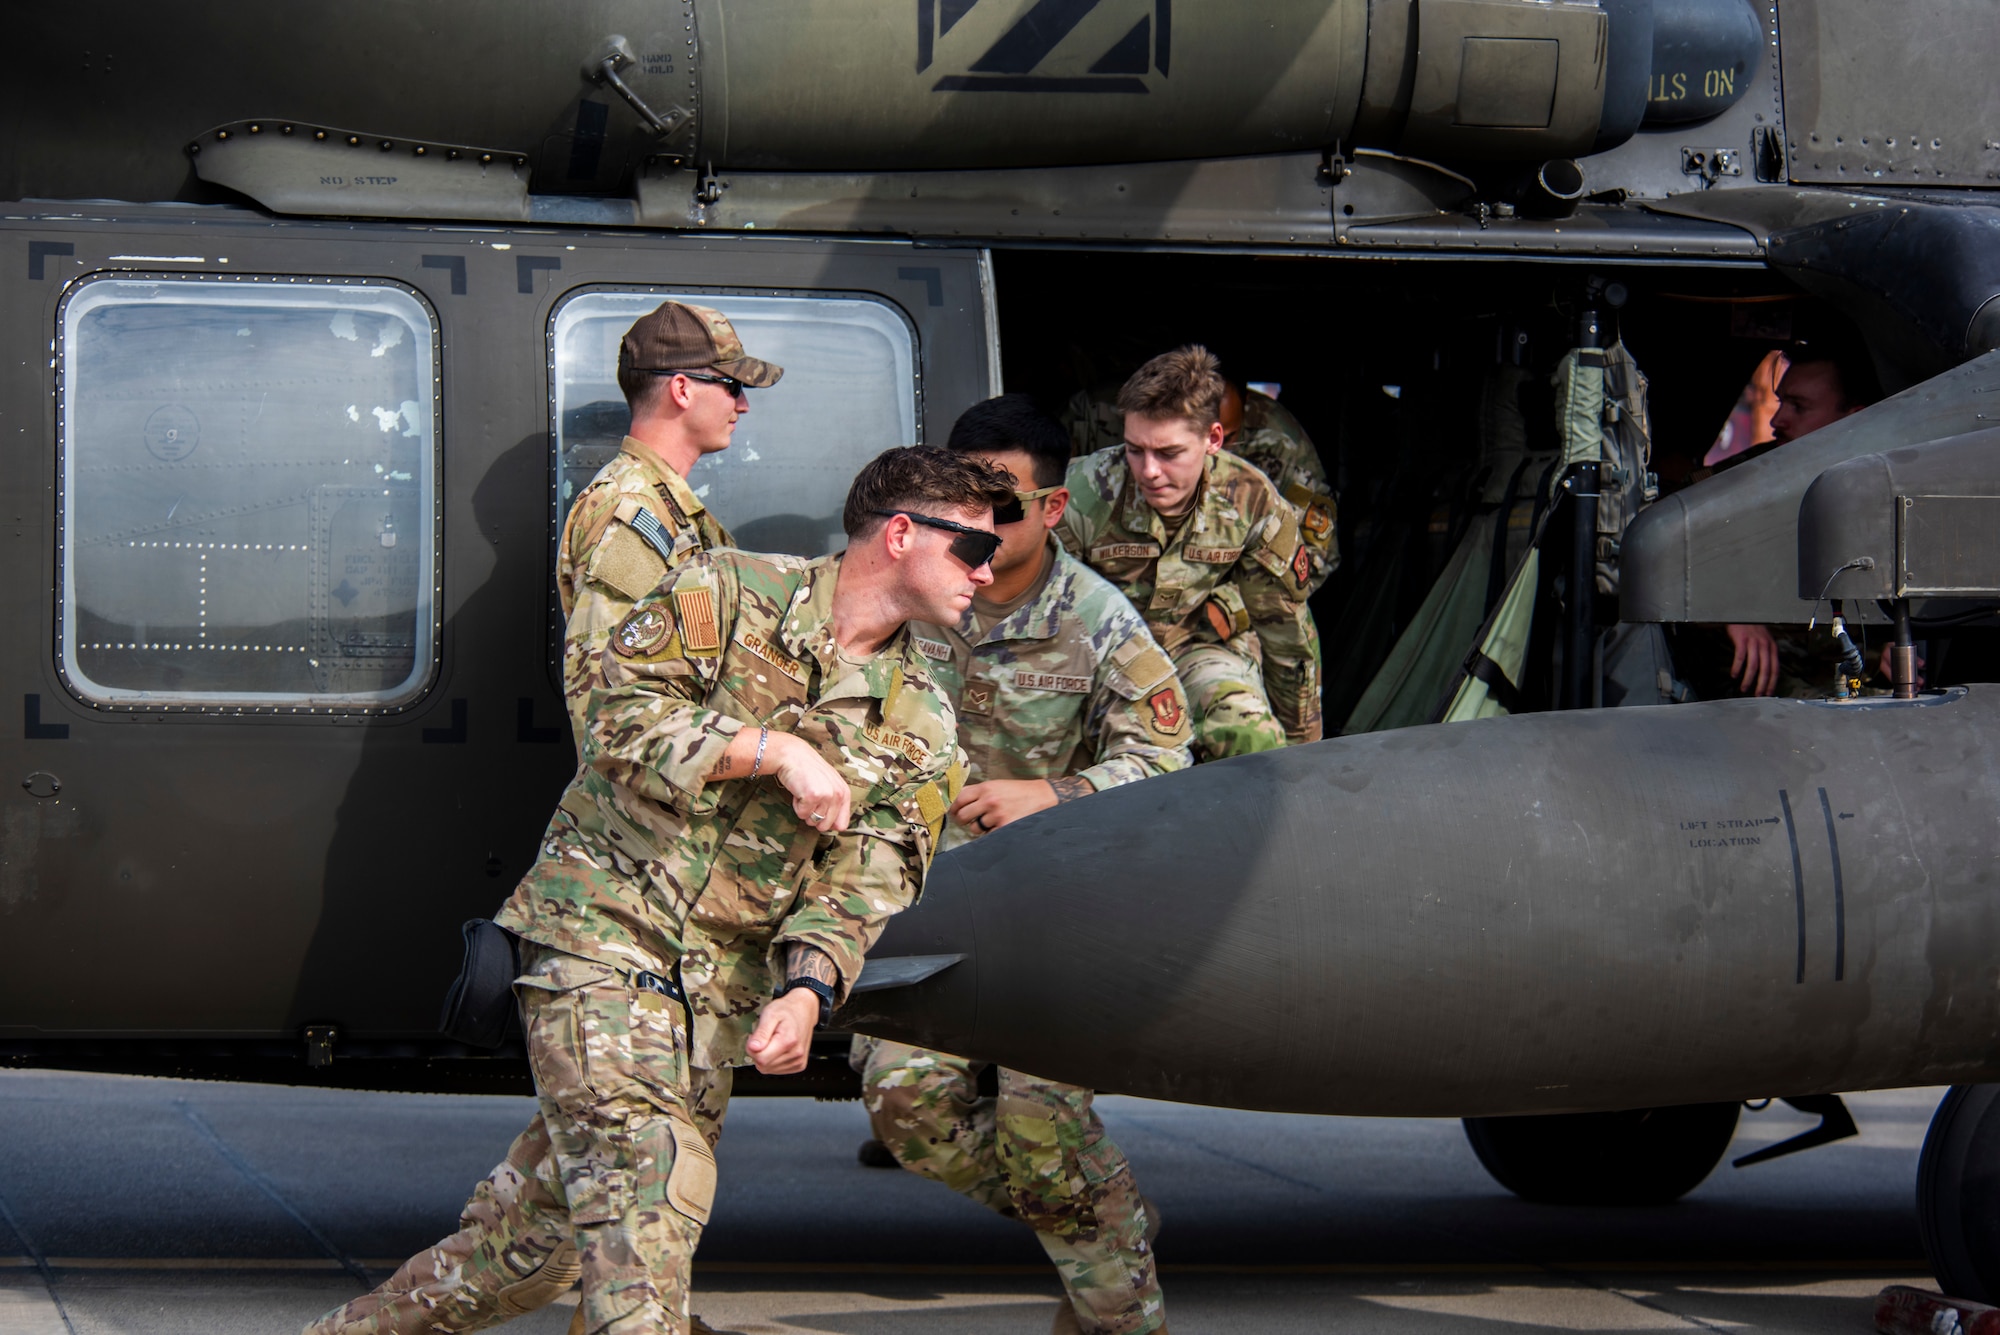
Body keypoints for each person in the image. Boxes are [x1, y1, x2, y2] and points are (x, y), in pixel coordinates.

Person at [304, 446, 1013, 1335]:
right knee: (653, 1203)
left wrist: (807, 986)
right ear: (902, 534)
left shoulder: (924, 713)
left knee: (522, 1255)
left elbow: (871, 872)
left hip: (712, 1000)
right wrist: (775, 750)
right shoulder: (727, 590)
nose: (989, 573)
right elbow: (613, 716)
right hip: (601, 935)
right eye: (974, 550)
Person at [851, 395, 1192, 1335]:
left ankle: (1113, 1297)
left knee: (1045, 1137)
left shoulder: (1097, 618)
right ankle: (1106, 1221)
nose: (980, 528)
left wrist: (1053, 794)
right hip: (924, 907)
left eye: (1003, 506)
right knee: (907, 1107)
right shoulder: (906, 595)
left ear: (1052, 507)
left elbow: (1169, 759)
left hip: (1053, 913)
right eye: (963, 504)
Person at [1060, 345, 1322, 758]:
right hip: (1093, 657)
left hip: (1194, 648)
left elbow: (1286, 631)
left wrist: (1305, 752)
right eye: (1134, 449)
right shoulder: (1081, 492)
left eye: (1168, 453)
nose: (1148, 471)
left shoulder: (1252, 502)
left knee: (1251, 734)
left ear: (1213, 439)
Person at [556, 300, 777, 743]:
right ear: (682, 388)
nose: (744, 404)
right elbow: (605, 709)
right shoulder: (633, 514)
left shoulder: (669, 509)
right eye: (732, 385)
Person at [1709, 341, 1882, 698]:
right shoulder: (1738, 482)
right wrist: (1724, 607)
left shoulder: (1892, 495)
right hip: (1774, 697)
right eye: (1780, 401)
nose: (1776, 420)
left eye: (1798, 407)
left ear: (1853, 420)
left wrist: (1897, 652)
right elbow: (1662, 541)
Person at [1218, 377, 1338, 593]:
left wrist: (1232, 608)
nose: (1213, 451)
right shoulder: (1156, 432)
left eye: (1226, 439)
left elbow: (1317, 556)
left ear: (1245, 401)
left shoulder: (1282, 445)